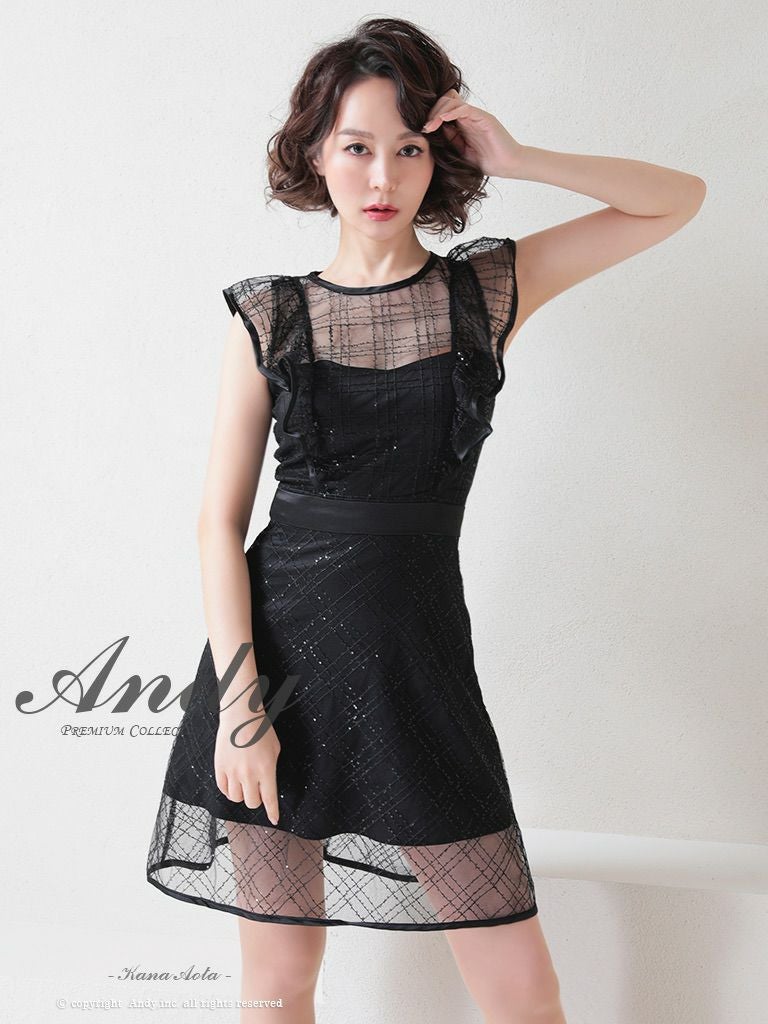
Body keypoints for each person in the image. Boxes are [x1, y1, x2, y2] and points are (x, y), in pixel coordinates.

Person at [146, 16, 706, 1024]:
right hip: (274, 670)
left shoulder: (481, 293)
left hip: (418, 672)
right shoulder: (269, 315)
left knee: (520, 986)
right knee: (278, 982)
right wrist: (239, 706)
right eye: (357, 146)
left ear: (439, 156)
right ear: (316, 154)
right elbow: (216, 526)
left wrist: (520, 158)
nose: (382, 175)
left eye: (409, 148)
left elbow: (677, 199)